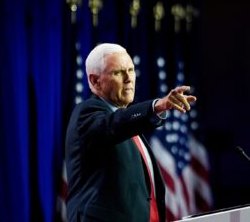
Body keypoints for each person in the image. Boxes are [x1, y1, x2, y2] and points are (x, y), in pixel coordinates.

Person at [65, 43, 197, 222]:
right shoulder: (87, 115)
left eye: (131, 69)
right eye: (118, 72)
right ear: (95, 81)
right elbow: (115, 124)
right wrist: (156, 106)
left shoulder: (130, 125)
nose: (129, 78)